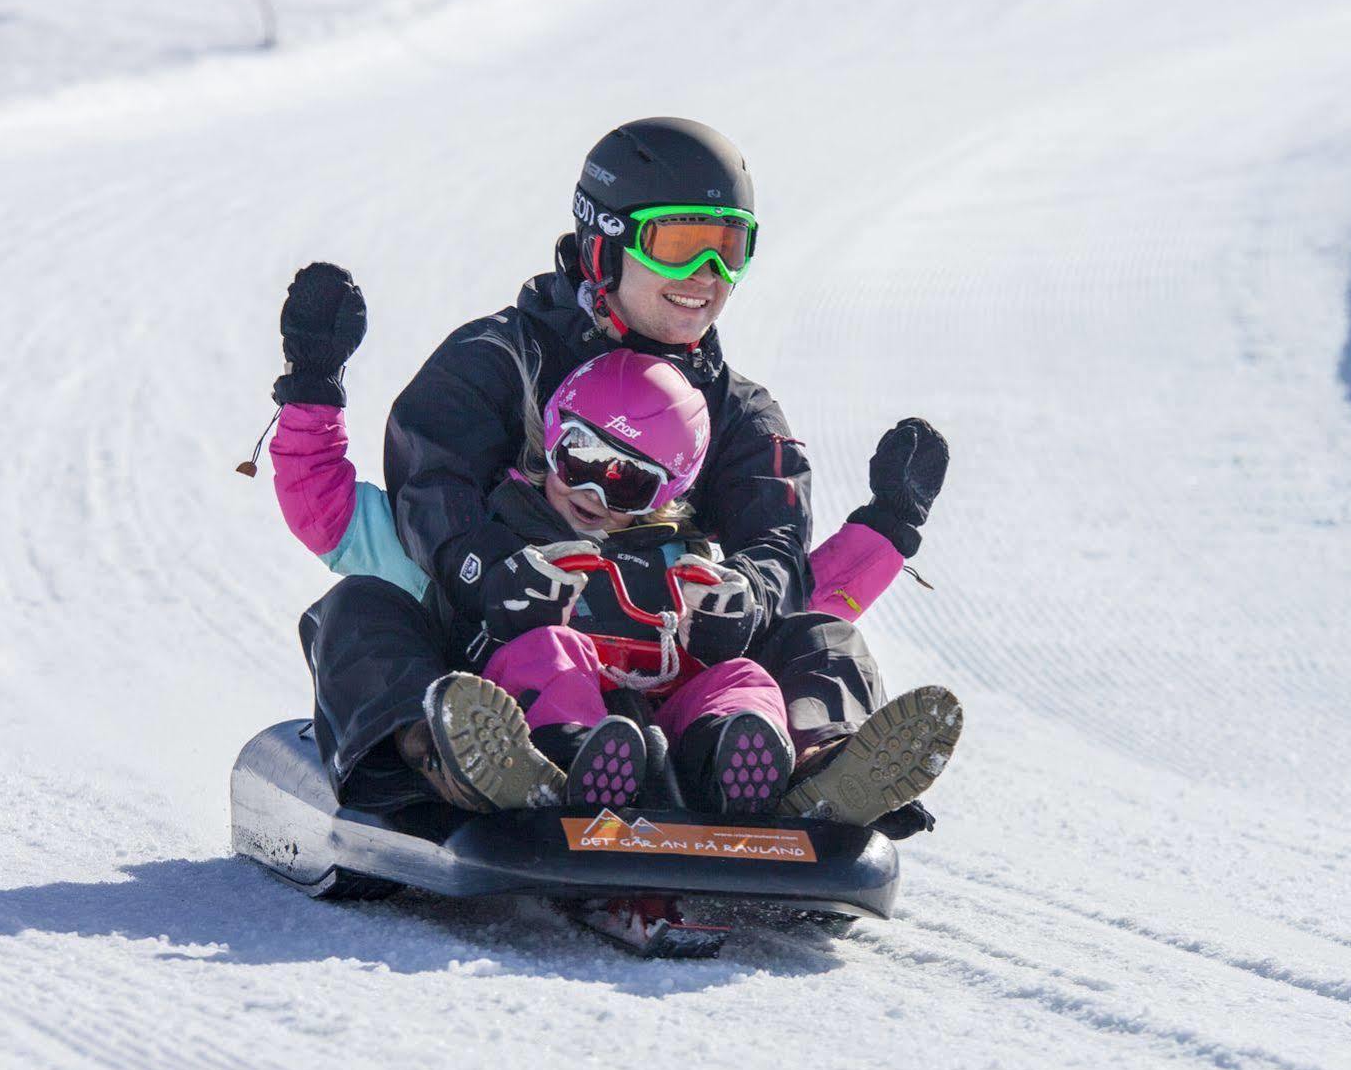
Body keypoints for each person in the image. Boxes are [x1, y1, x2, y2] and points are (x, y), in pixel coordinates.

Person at [285, 116, 961, 827]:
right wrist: (492, 569)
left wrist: (750, 597)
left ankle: (815, 772)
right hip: (498, 659)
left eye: (729, 248)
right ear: (603, 241)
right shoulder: (498, 361)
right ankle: (451, 762)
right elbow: (431, 489)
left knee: (823, 639)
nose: (708, 276)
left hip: (674, 667)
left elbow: (779, 552)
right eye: (679, 245)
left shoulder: (737, 412)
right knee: (360, 609)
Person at [270, 329, 941, 815]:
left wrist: (887, 529)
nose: (594, 488)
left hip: (665, 732)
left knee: (761, 668)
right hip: (518, 723)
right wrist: (312, 388)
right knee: (364, 606)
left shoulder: (689, 559)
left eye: (629, 481)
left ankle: (799, 771)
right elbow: (327, 512)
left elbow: (815, 594)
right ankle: (498, 766)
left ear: (667, 494)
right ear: (551, 435)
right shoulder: (486, 536)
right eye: (582, 455)